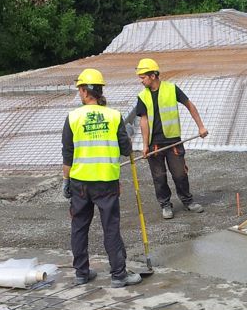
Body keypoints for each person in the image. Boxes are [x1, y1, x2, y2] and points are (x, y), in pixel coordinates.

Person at [62, 68, 142, 288]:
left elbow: (67, 154)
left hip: (80, 184)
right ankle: (118, 275)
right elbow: (126, 149)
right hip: (106, 182)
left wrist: (66, 181)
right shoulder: (114, 116)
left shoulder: (73, 118)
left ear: (87, 92)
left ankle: (81, 273)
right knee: (110, 228)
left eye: (80, 88)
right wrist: (127, 137)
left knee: (79, 227)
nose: (79, 92)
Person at [131, 58, 209, 219]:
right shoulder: (142, 96)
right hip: (154, 144)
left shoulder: (171, 89)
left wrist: (200, 126)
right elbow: (143, 120)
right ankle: (165, 205)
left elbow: (189, 105)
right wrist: (145, 145)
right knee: (159, 177)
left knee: (180, 174)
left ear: (153, 75)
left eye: (143, 77)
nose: (141, 80)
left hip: (173, 141)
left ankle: (188, 201)